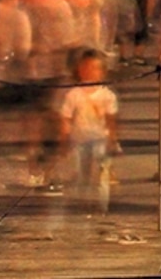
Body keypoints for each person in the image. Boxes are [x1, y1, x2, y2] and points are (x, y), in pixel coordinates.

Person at [53, 48, 119, 209]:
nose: (90, 72)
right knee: (79, 172)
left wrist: (113, 139)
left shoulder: (107, 95)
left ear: (103, 72)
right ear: (79, 70)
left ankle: (101, 204)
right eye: (86, 68)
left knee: (100, 173)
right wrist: (64, 139)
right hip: (78, 138)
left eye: (95, 68)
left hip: (100, 138)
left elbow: (111, 120)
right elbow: (66, 118)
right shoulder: (74, 94)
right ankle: (79, 201)